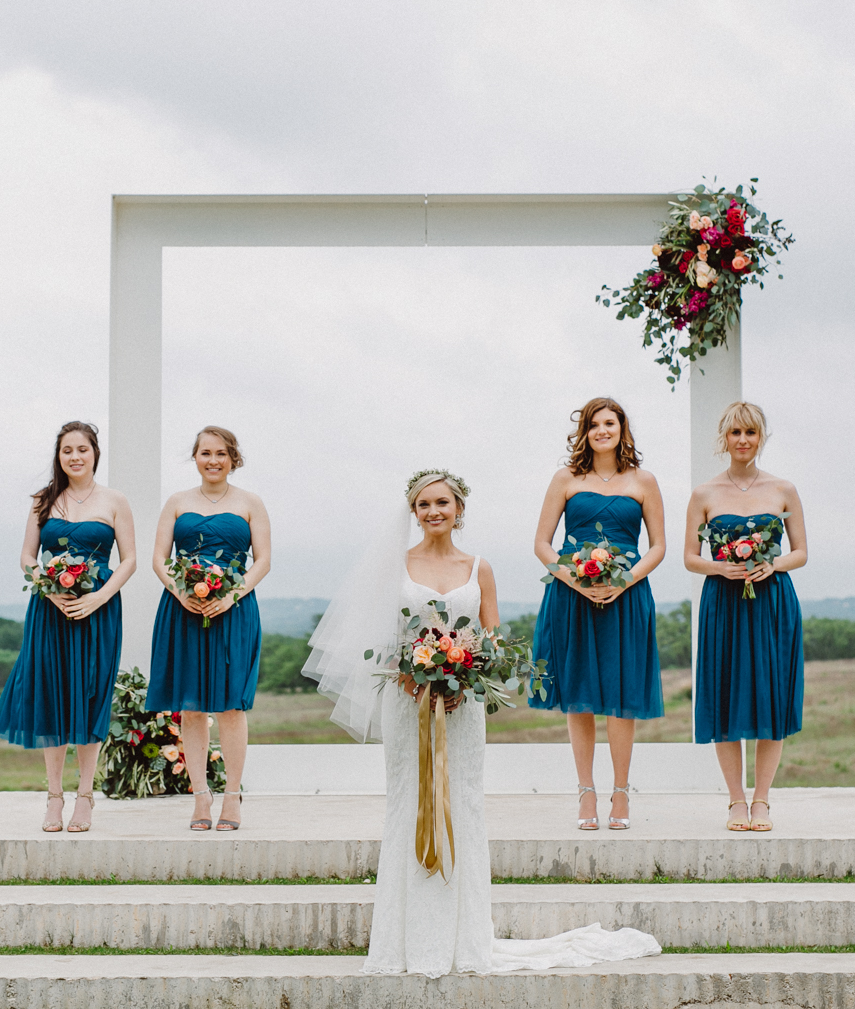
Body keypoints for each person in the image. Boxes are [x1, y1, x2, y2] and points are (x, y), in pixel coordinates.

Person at [302, 468, 660, 976]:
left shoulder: (479, 568)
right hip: (408, 702)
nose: (434, 512)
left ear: (459, 509)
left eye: (442, 503)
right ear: (413, 511)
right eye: (424, 505)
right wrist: (411, 673)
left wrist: (464, 672)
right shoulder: (394, 566)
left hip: (463, 705)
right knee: (409, 800)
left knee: (462, 803)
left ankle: (465, 940)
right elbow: (382, 637)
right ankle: (402, 942)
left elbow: (491, 639)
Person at [0, 420, 136, 834]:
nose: (75, 456)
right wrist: (49, 591)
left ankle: (85, 797)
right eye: (67, 450)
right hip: (50, 612)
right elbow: (27, 557)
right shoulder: (43, 500)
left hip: (98, 611)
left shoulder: (114, 501)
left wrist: (98, 597)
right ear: (59, 456)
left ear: (95, 454)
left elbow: (129, 560)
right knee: (51, 696)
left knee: (89, 696)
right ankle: (54, 798)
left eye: (82, 449)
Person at [529, 398, 666, 829]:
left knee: (621, 696)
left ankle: (621, 794)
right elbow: (542, 544)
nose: (602, 430)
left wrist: (622, 581)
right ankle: (586, 793)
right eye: (594, 424)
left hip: (627, 597)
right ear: (584, 432)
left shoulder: (644, 481)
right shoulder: (565, 478)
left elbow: (658, 546)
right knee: (580, 695)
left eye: (610, 423)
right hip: (572, 597)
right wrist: (574, 579)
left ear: (623, 429)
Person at [683, 401, 806, 833]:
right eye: (735, 433)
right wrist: (721, 567)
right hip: (723, 603)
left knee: (770, 697)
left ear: (761, 438)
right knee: (725, 697)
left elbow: (801, 552)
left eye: (750, 433)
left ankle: (762, 801)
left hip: (771, 601)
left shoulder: (783, 489)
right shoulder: (704, 493)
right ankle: (736, 800)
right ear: (724, 438)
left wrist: (773, 565)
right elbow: (688, 559)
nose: (743, 440)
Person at [145, 426, 271, 832]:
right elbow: (159, 559)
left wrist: (232, 595)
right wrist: (180, 592)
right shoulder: (177, 502)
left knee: (231, 704)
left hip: (233, 610)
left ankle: (232, 796)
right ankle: (200, 796)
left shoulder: (251, 502)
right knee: (192, 705)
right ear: (195, 457)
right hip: (183, 609)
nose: (213, 460)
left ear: (233, 458)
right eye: (205, 453)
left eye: (221, 453)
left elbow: (263, 561)